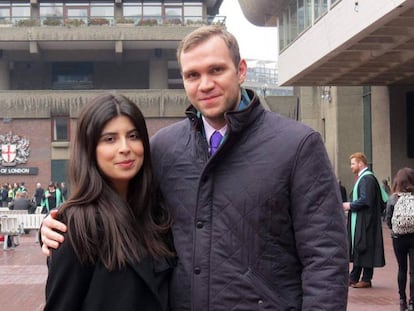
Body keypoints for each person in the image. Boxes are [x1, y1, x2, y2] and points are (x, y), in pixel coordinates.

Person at [40, 25, 349, 310]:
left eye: (216, 70)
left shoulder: (297, 145)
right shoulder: (164, 147)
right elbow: (122, 207)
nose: (205, 84)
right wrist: (58, 229)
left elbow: (325, 258)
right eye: (192, 75)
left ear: (241, 70)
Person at [44, 93, 175, 311]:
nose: (125, 148)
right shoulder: (77, 226)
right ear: (90, 149)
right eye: (110, 139)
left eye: (133, 136)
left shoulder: (158, 214)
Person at [343, 152, 386, 288]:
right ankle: (354, 277)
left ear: (361, 164)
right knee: (360, 247)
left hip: (366, 221)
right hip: (363, 219)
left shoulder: (367, 179)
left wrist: (349, 205)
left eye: (353, 163)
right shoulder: (364, 178)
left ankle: (366, 278)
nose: (351, 167)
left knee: (364, 247)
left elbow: (365, 200)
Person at [386, 167, 414, 311]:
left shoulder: (393, 198)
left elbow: (388, 220)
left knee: (401, 269)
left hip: (398, 238)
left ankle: (402, 300)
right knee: (413, 271)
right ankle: (412, 302)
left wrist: (396, 229)